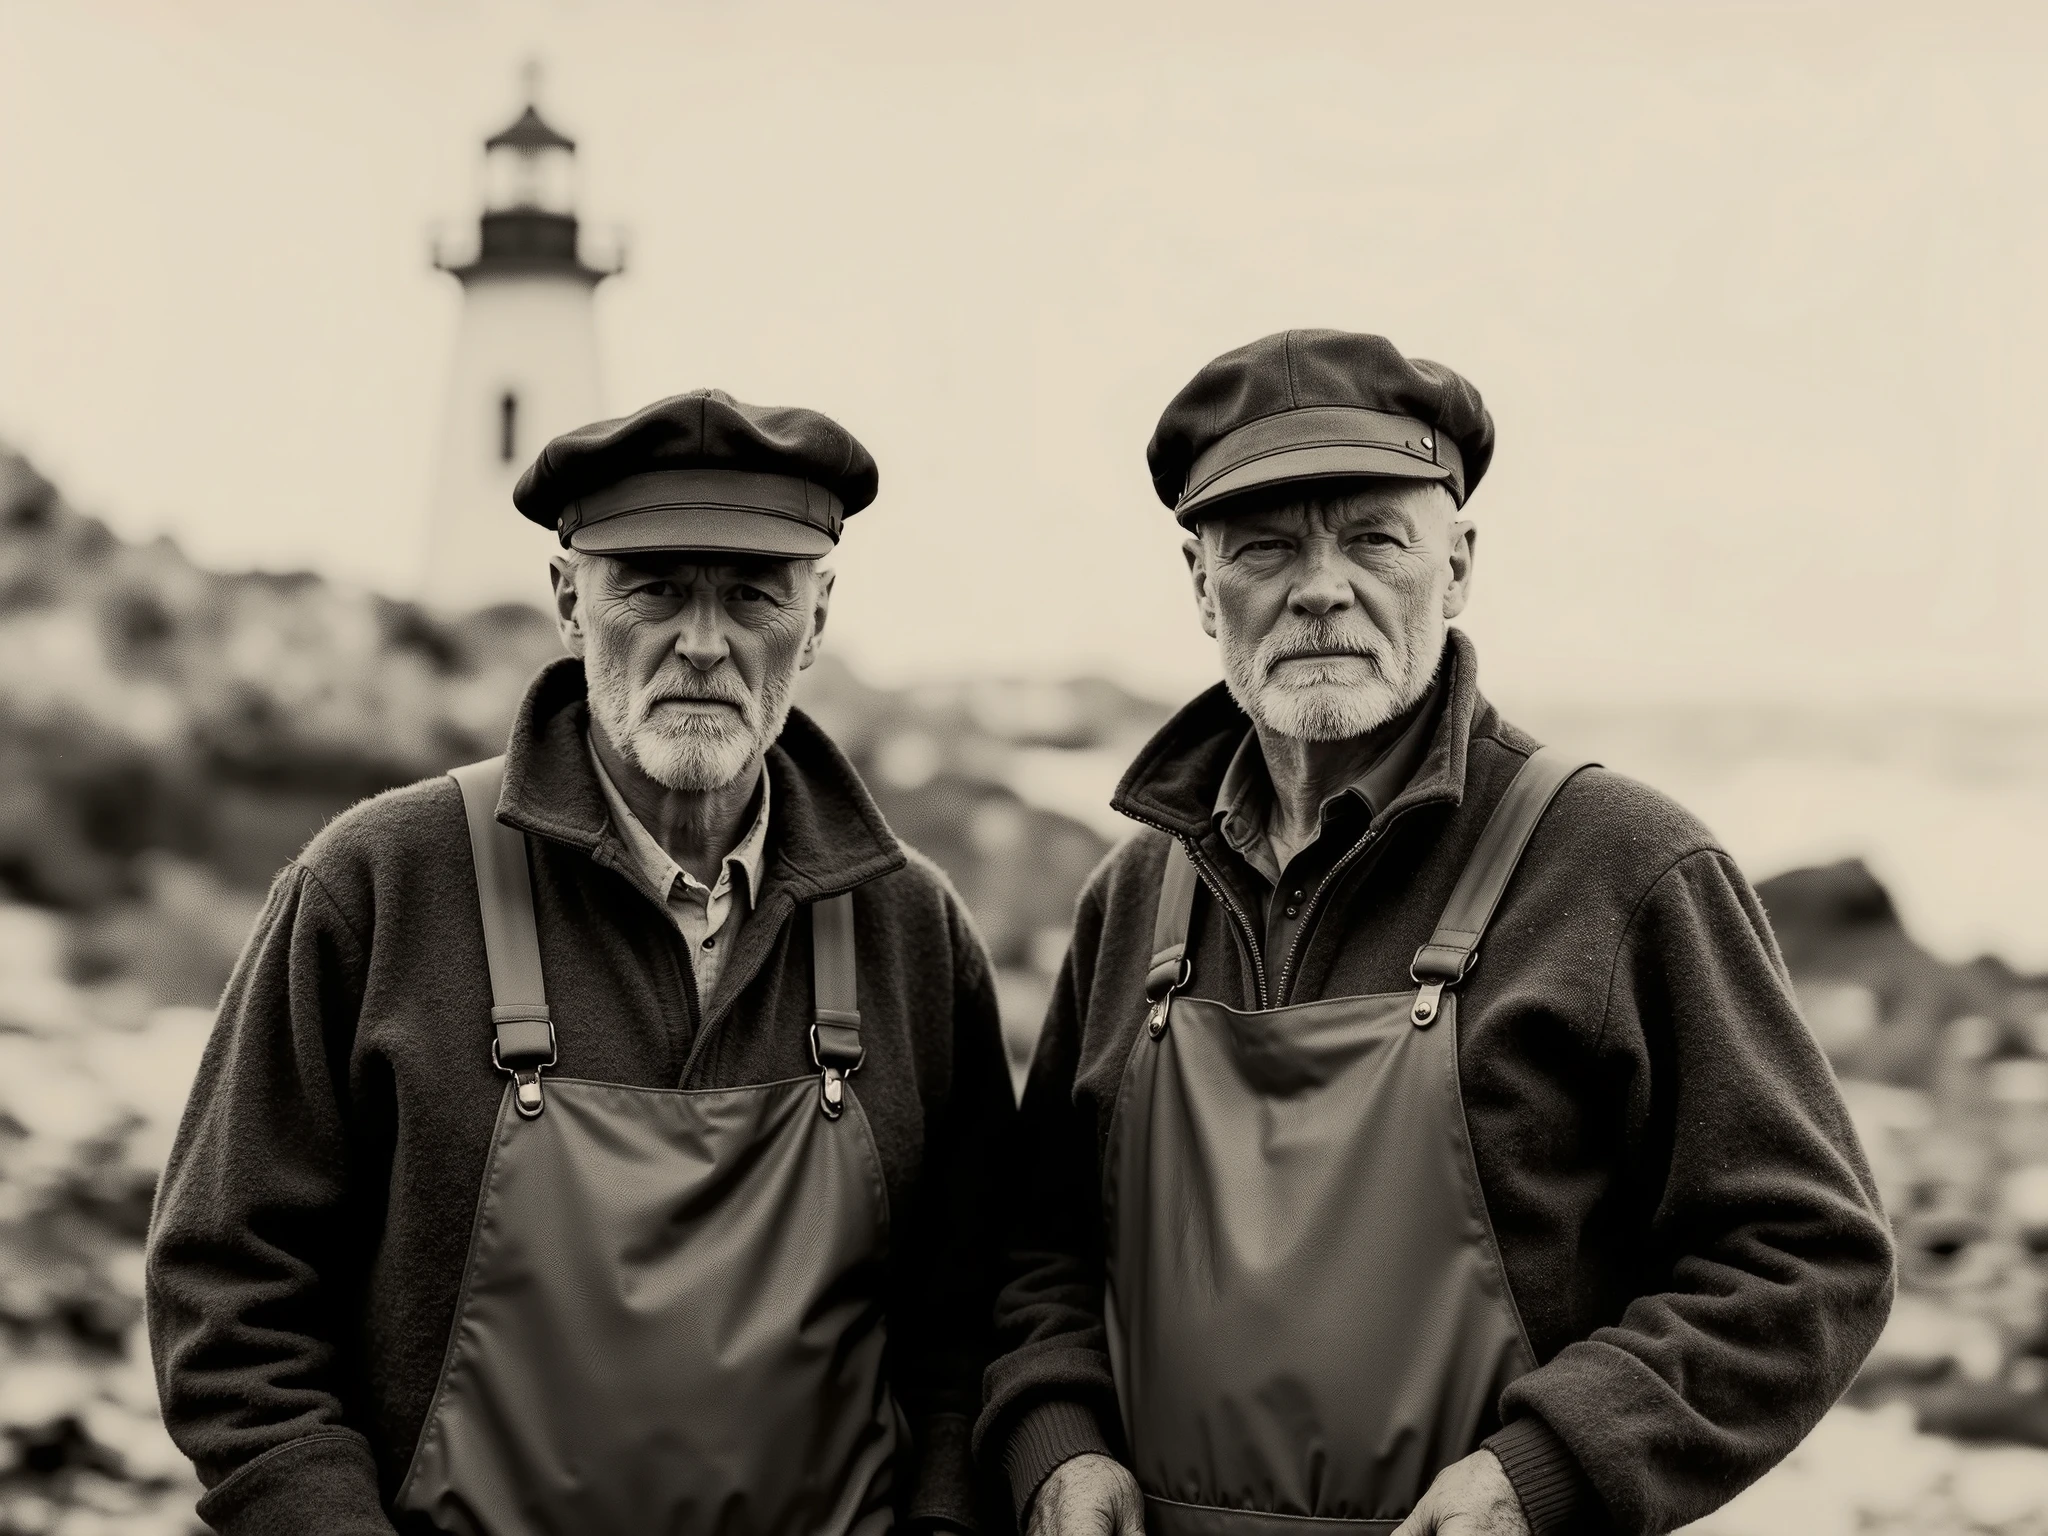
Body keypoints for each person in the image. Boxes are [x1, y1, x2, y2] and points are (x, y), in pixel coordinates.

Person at [976, 332, 1895, 1536]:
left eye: (1372, 538)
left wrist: (1548, 1469)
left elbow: (1803, 1256)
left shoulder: (1622, 862)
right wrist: (1056, 1443)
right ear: (1200, 586)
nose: (1318, 587)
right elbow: (1039, 1251)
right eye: (1262, 545)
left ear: (1454, 565)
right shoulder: (1132, 894)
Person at [146, 390, 1015, 1536]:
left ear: (817, 617)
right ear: (568, 598)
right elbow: (228, 1293)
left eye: (753, 593)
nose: (701, 643)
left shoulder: (910, 927)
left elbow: (970, 1321)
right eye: (651, 587)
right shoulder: (372, 885)